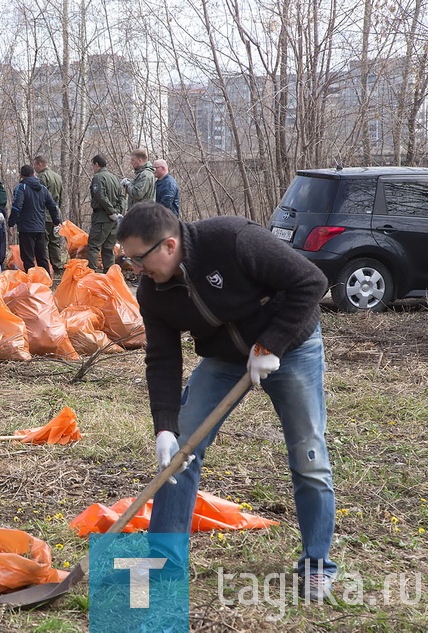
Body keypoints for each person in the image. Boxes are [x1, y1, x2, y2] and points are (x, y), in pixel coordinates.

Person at [117, 202, 337, 602]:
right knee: (179, 453)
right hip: (223, 360)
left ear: (168, 244)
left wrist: (272, 344)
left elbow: (311, 281)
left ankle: (317, 565)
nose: (135, 269)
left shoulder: (232, 239)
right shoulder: (153, 292)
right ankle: (164, 567)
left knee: (309, 456)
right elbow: (162, 359)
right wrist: (165, 425)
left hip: (291, 349)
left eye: (138, 258)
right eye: (128, 259)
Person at [9, 164, 62, 272]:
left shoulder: (21, 187)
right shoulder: (43, 189)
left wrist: (11, 223)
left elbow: (16, 207)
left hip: (26, 228)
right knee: (42, 257)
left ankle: (32, 282)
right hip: (40, 227)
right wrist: (57, 221)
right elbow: (52, 206)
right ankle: (46, 282)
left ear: (21, 176)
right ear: (33, 174)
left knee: (28, 258)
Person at [86, 154, 124, 273]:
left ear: (96, 164)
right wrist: (117, 211)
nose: (93, 168)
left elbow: (100, 196)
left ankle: (91, 274)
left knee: (93, 246)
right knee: (108, 248)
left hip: (102, 217)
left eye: (93, 165)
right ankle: (109, 275)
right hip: (113, 219)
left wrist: (112, 211)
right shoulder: (114, 178)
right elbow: (121, 197)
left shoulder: (98, 177)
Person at [33, 155, 68, 275]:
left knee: (43, 242)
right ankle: (58, 266)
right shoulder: (57, 176)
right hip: (56, 212)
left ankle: (44, 268)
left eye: (35, 165)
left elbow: (40, 197)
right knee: (55, 241)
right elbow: (62, 196)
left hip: (45, 213)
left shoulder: (42, 177)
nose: (34, 167)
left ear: (40, 164)